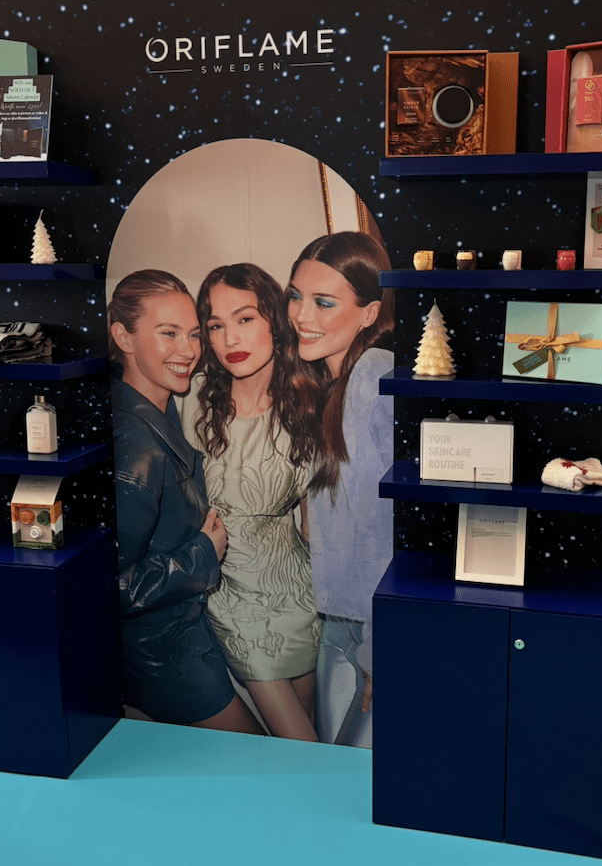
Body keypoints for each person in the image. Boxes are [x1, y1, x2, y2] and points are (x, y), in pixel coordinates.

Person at [108, 268, 263, 734]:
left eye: (194, 334)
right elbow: (110, 586)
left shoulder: (161, 406)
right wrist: (202, 553)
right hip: (162, 654)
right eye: (169, 333)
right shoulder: (136, 448)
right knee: (259, 762)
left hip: (186, 632)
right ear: (124, 337)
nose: (188, 351)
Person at [181, 263, 321, 741]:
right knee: (302, 745)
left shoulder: (310, 404)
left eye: (244, 319)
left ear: (274, 321)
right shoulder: (195, 398)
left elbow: (315, 522)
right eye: (215, 325)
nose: (229, 339)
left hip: (297, 594)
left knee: (304, 743)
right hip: (230, 596)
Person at [285, 231, 395, 748]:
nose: (301, 315)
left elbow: (384, 530)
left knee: (353, 778)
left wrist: (378, 651)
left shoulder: (372, 375)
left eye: (324, 302)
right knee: (332, 774)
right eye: (296, 296)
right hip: (339, 620)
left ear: (369, 313)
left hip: (375, 628)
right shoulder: (332, 383)